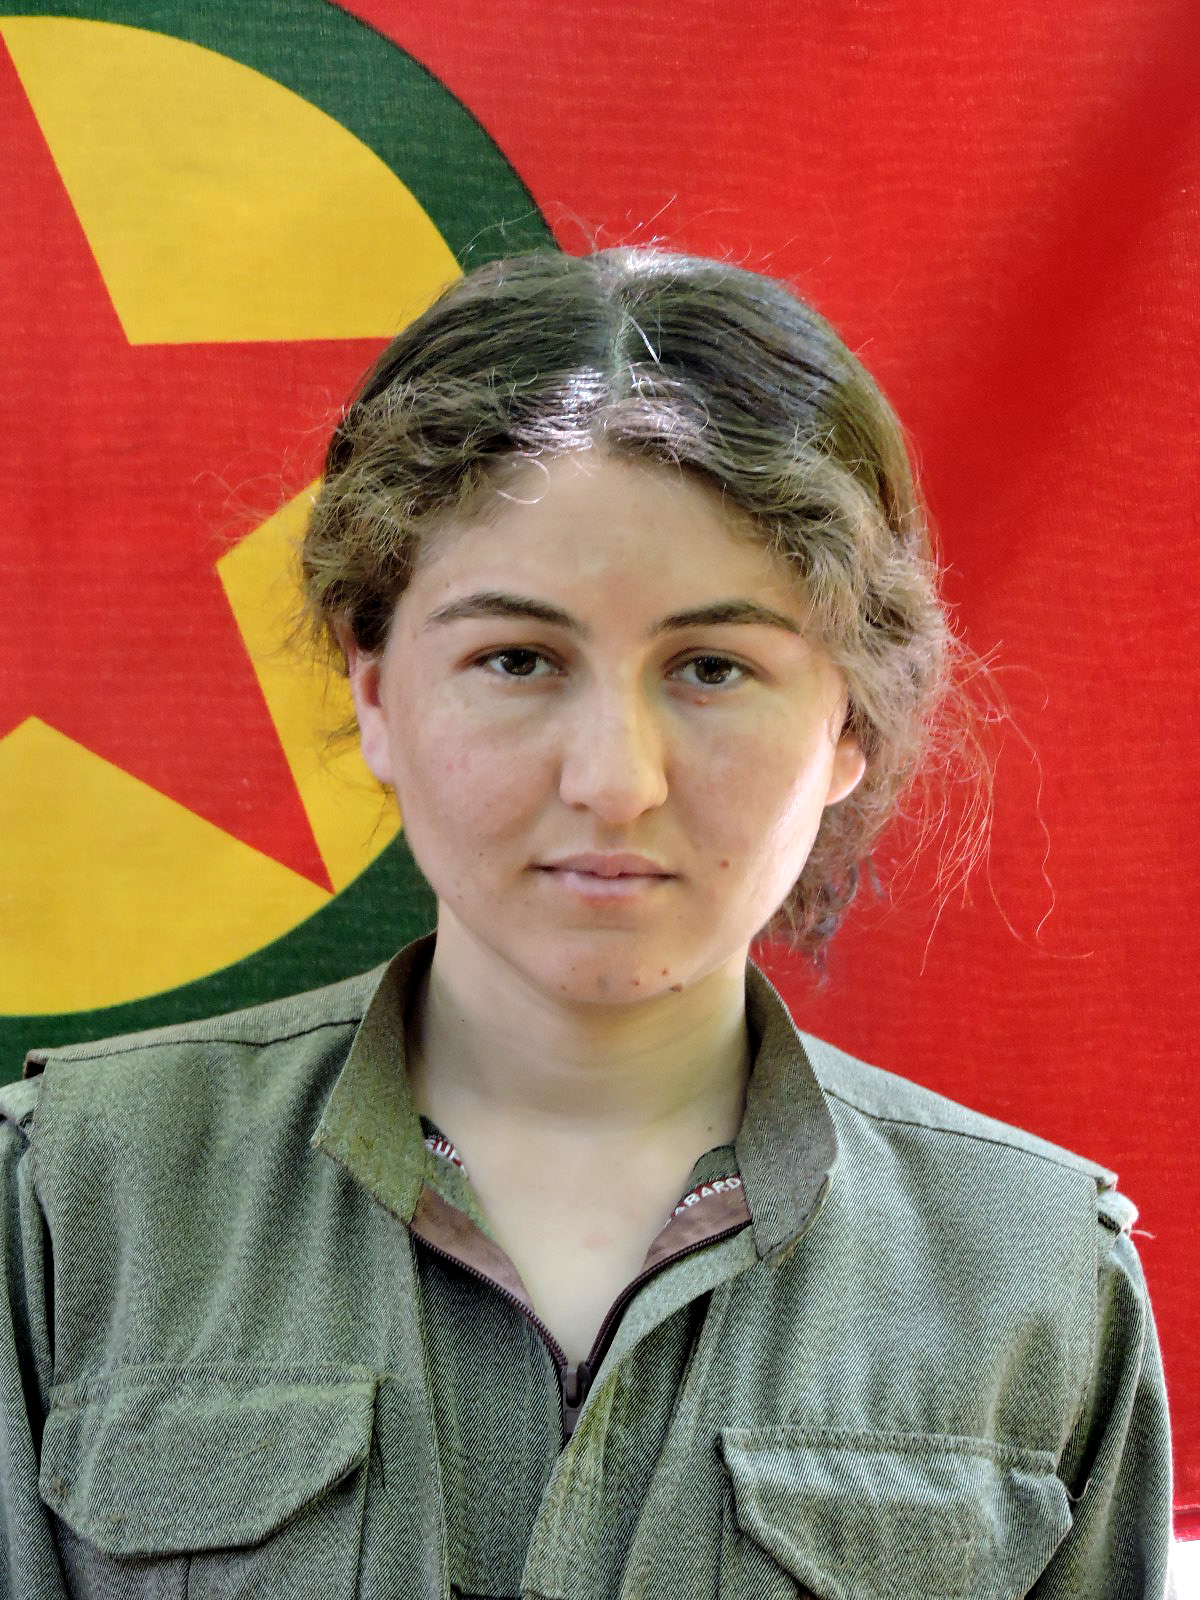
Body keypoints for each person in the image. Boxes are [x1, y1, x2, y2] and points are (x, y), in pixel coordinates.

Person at [0, 247, 1174, 1599]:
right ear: (375, 694)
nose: (615, 780)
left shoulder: (1038, 1280)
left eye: (712, 667)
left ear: (849, 723)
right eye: (517, 659)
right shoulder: (67, 1206)